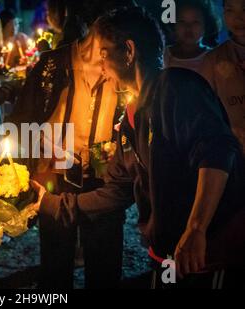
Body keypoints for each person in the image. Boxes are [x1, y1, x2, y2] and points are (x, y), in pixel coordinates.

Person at [31, 6, 245, 289]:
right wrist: (52, 204)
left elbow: (218, 150)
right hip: (170, 254)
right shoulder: (132, 118)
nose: (103, 70)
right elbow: (117, 189)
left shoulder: (176, 88)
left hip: (211, 251)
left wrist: (197, 228)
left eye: (105, 55)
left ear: (129, 51)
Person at [15, 0, 137, 290]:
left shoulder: (126, 69)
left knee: (105, 271)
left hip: (105, 183)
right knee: (55, 273)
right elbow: (22, 119)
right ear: (95, 21)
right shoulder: (53, 64)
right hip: (55, 179)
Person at [201, 0, 245, 155]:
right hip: (235, 154)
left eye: (244, 9)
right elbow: (206, 112)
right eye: (230, 10)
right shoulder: (213, 60)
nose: (238, 18)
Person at [164, 0, 219, 73]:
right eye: (182, 21)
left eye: (195, 22)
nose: (188, 27)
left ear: (206, 25)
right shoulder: (165, 55)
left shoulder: (214, 57)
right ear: (174, 24)